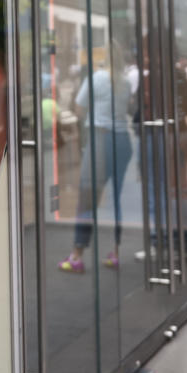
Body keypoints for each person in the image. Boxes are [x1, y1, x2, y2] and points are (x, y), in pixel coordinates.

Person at [58, 52, 134, 273]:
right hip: (122, 141)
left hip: (100, 139)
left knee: (87, 197)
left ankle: (77, 255)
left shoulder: (96, 78)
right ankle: (116, 253)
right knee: (117, 199)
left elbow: (79, 108)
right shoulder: (126, 81)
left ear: (105, 61)